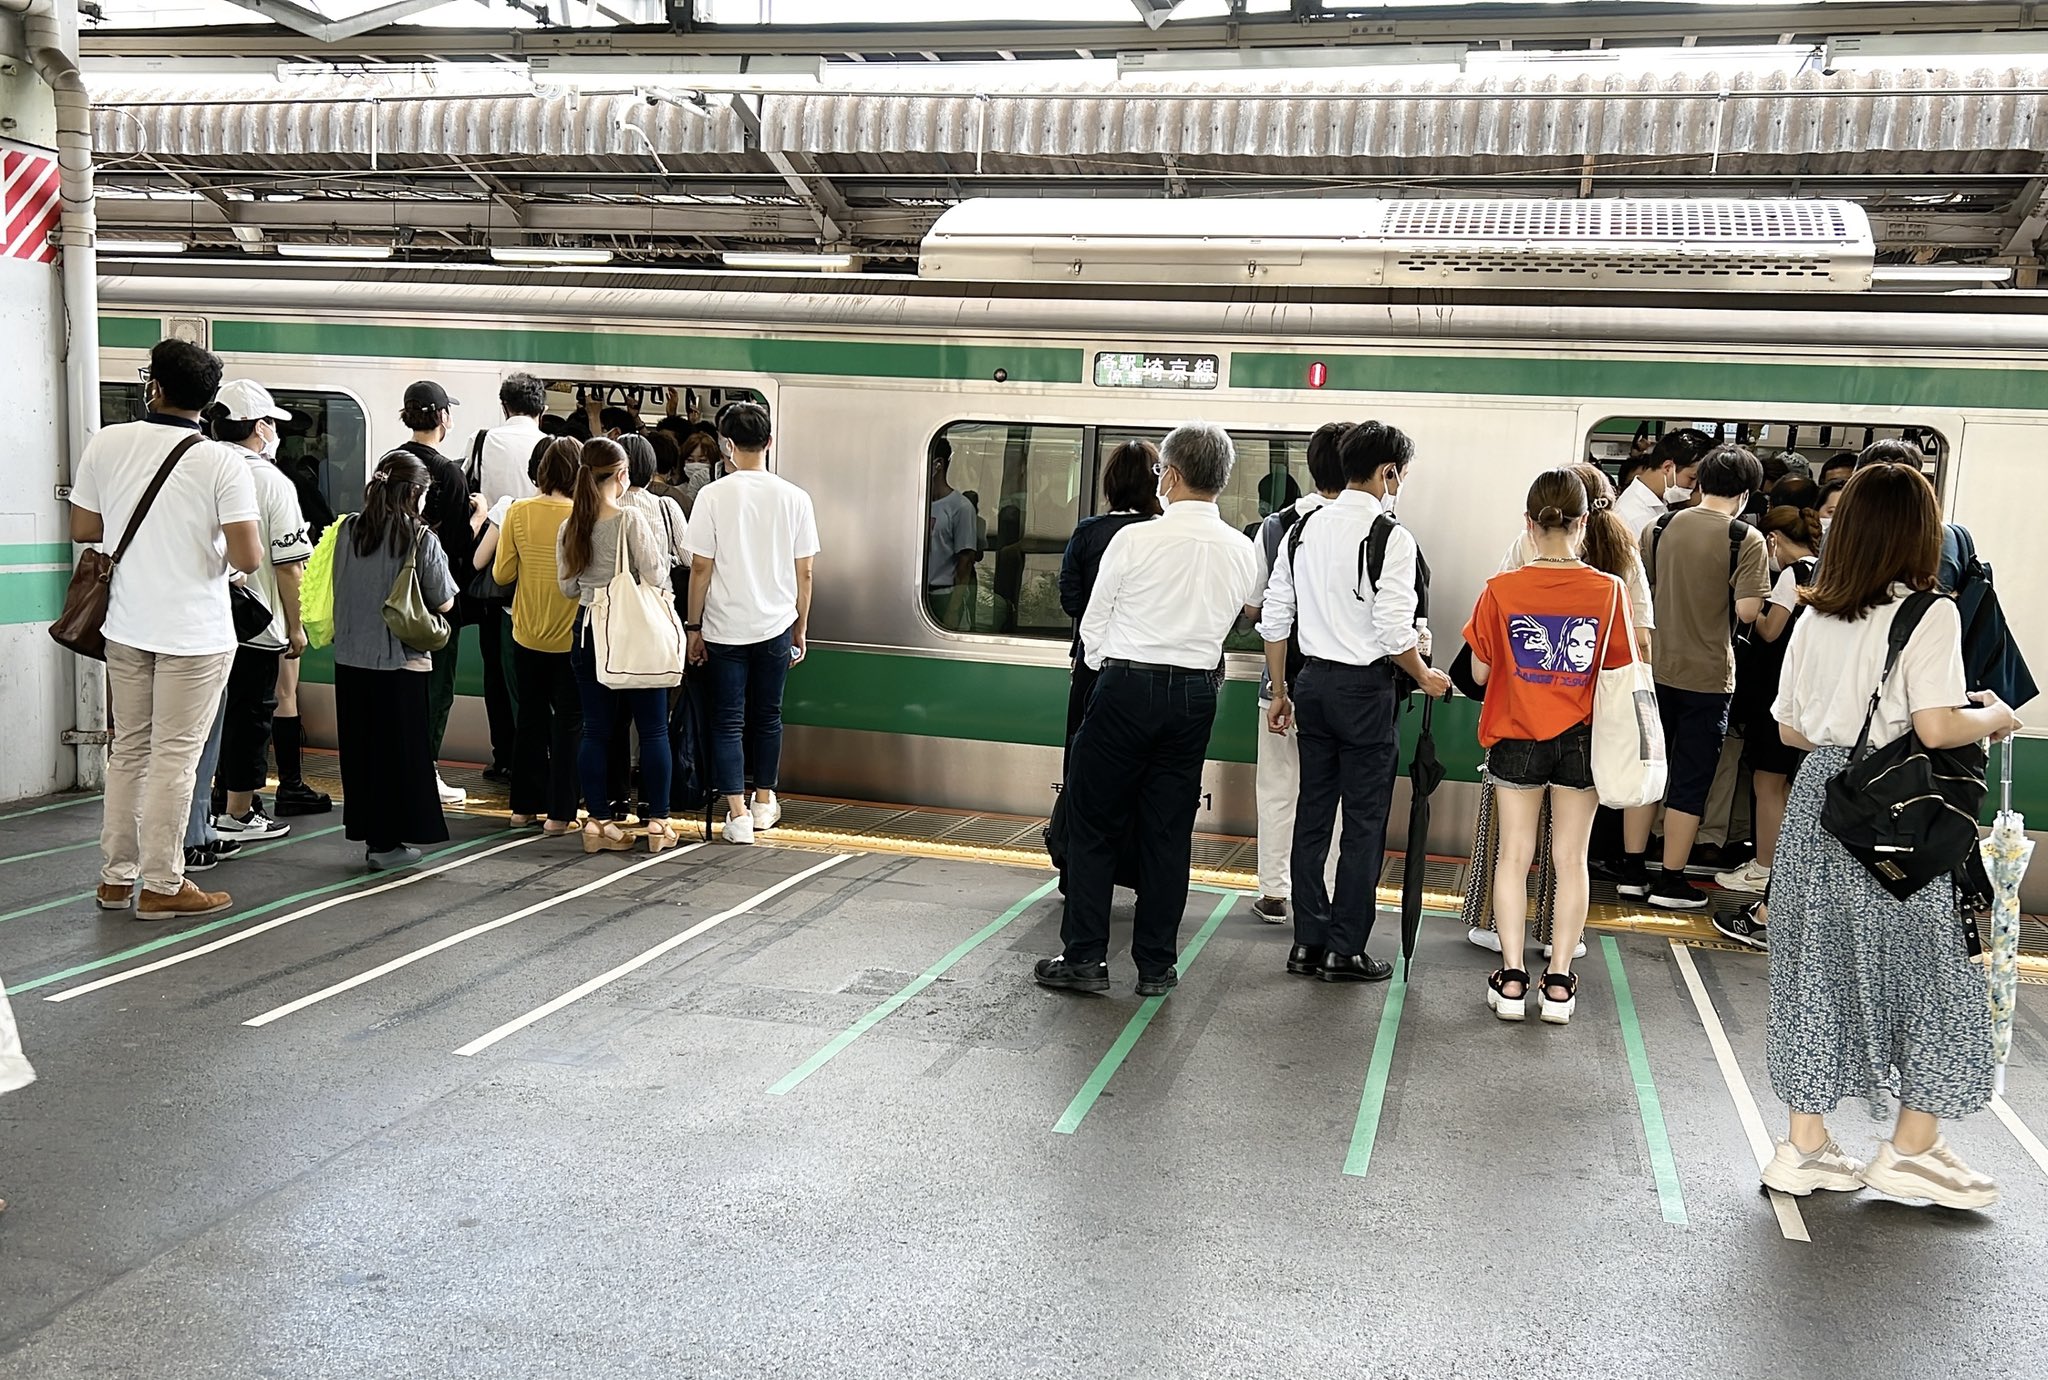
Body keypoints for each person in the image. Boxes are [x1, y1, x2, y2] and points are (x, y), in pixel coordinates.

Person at [1760, 462, 2020, 1209]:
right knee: (1936, 977)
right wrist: (1996, 715)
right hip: (1895, 813)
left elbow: (1790, 729)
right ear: (1918, 534)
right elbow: (1935, 728)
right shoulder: (1930, 613)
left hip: (1821, 802)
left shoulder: (1815, 613)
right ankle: (1911, 1149)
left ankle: (1804, 1147)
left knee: (1813, 971)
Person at [1033, 422, 1264, 996]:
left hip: (1125, 688)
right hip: (1195, 698)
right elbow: (1246, 613)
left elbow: (1092, 625)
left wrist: (1112, 671)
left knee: (1093, 820)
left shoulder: (1133, 541)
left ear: (1172, 475)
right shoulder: (1242, 549)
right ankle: (1156, 965)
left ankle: (1085, 957)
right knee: (1168, 830)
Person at [71, 338, 262, 919]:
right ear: (208, 402)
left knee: (128, 750)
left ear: (152, 386)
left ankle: (114, 879)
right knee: (175, 757)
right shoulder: (222, 462)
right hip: (195, 634)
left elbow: (84, 528)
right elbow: (249, 557)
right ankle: (161, 883)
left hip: (127, 626)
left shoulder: (107, 442)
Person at [1259, 421, 1451, 982]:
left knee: (1313, 815)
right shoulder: (1392, 537)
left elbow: (1276, 617)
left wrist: (1281, 690)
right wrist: (1424, 676)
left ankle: (1307, 942)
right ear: (1387, 472)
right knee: (1364, 822)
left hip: (1312, 685)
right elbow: (1393, 632)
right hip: (1365, 692)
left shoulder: (1302, 528)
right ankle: (1344, 949)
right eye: (1401, 474)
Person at [1462, 469, 1638, 1023]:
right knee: (1571, 859)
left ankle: (1513, 978)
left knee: (1514, 856)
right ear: (1584, 523)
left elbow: (1480, 672)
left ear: (1529, 523)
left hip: (1516, 735)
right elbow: (1619, 672)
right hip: (1583, 740)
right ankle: (1559, 982)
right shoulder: (1609, 591)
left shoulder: (1500, 589)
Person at [1622, 444, 1770, 911]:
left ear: (1701, 483)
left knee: (1647, 771)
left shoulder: (1659, 527)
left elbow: (1641, 592)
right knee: (1690, 780)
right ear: (1745, 494)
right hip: (1707, 680)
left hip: (1654, 672)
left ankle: (1631, 873)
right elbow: (1748, 611)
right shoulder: (1745, 539)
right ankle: (1670, 881)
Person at [685, 403, 819, 845]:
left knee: (727, 720)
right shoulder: (795, 498)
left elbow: (700, 568)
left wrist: (694, 627)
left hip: (724, 627)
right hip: (776, 625)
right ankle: (764, 801)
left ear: (727, 444)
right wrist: (800, 627)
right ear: (769, 442)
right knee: (768, 715)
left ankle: (738, 815)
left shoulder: (712, 496)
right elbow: (805, 572)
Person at [331, 450, 457, 871]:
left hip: (350, 660)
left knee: (362, 754)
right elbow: (444, 600)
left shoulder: (349, 529)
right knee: (398, 756)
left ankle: (373, 837)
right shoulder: (419, 537)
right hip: (398, 663)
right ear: (415, 493)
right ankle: (387, 845)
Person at [1243, 422, 1347, 924]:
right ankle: (1325, 890)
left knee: (1278, 788)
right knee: (1336, 795)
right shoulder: (1376, 528)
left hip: (1282, 680)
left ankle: (1273, 892)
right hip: (1343, 685)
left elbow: (1257, 608)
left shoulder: (1276, 526)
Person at [203, 380, 313, 845]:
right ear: (259, 427)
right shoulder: (271, 481)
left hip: (203, 621)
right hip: (256, 625)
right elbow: (289, 566)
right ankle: (239, 813)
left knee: (210, 720)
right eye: (271, 423)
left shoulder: (201, 465)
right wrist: (296, 627)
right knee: (251, 719)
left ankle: (209, 806)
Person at [557, 439, 680, 855]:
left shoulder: (570, 525)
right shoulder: (630, 519)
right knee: (653, 730)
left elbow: (567, 587)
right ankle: (659, 823)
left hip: (589, 631)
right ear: (622, 475)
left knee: (595, 730)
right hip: (633, 632)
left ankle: (599, 823)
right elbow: (657, 574)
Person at [1713, 501, 1824, 919]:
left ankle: (1764, 868)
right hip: (1808, 695)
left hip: (1777, 693)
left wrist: (1755, 607)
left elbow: (1771, 630)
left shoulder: (1793, 574)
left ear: (1773, 540)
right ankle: (1775, 866)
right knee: (1786, 783)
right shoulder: (1826, 570)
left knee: (1767, 781)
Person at [396, 380, 487, 809]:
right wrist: (481, 516)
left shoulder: (391, 463)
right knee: (436, 689)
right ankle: (424, 770)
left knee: (400, 687)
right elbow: (457, 547)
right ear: (442, 418)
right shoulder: (450, 474)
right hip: (436, 605)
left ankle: (401, 766)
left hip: (394, 598)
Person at [494, 439, 583, 834]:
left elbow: (501, 574)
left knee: (529, 718)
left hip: (526, 633)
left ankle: (522, 808)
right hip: (571, 637)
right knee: (568, 724)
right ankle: (560, 815)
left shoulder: (518, 511)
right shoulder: (583, 516)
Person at [465, 371, 549, 781]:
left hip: (496, 572)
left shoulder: (481, 441)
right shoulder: (553, 446)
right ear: (542, 409)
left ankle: (506, 756)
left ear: (504, 406)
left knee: (496, 669)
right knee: (541, 671)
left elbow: (469, 494)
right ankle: (544, 755)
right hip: (542, 571)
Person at [1056, 439, 1162, 756]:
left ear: (1110, 483)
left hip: (1094, 658)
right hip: (1151, 663)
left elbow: (1071, 601)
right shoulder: (1165, 533)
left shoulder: (1088, 532)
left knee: (1084, 750)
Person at [1613, 428, 1712, 539]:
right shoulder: (1634, 515)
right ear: (1668, 467)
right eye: (1692, 478)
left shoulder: (1658, 504)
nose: (1693, 486)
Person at [925, 435, 980, 630]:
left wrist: (953, 609)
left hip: (943, 594)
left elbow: (966, 561)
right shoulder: (920, 503)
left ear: (938, 465)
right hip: (917, 591)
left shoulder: (960, 507)